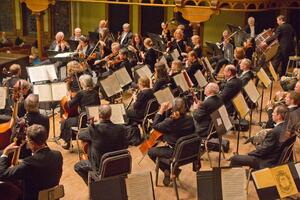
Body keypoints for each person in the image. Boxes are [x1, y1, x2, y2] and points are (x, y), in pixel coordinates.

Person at [0, 124, 63, 200]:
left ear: (32, 143)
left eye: (27, 141)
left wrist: (5, 153)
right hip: (53, 196)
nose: (27, 143)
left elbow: (3, 174)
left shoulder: (29, 163)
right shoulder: (57, 155)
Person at [74, 105, 128, 184]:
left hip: (102, 168)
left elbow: (80, 135)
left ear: (99, 116)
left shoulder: (94, 130)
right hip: (119, 166)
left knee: (78, 166)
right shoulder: (121, 129)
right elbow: (125, 145)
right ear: (111, 114)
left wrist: (91, 126)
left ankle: (95, 187)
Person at [148, 98, 195, 186]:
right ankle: (171, 170)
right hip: (188, 152)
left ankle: (168, 169)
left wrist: (161, 110)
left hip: (176, 153)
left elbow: (155, 125)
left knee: (150, 151)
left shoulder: (171, 121)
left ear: (173, 108)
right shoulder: (190, 118)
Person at [230, 105, 288, 169]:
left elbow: (262, 151)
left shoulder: (274, 132)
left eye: (274, 112)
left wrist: (251, 152)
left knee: (235, 159)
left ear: (279, 116)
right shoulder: (287, 127)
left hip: (265, 161)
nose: (272, 114)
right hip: (274, 157)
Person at [60, 74, 100, 149]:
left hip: (83, 121)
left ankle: (67, 142)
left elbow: (69, 105)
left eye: (80, 82)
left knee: (65, 121)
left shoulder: (80, 93)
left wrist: (68, 96)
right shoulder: (95, 93)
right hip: (94, 119)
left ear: (83, 83)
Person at [11, 94, 50, 159]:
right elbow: (46, 136)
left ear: (25, 107)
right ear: (38, 105)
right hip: (41, 149)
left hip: (24, 153)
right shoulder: (45, 118)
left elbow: (12, 140)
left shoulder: (21, 121)